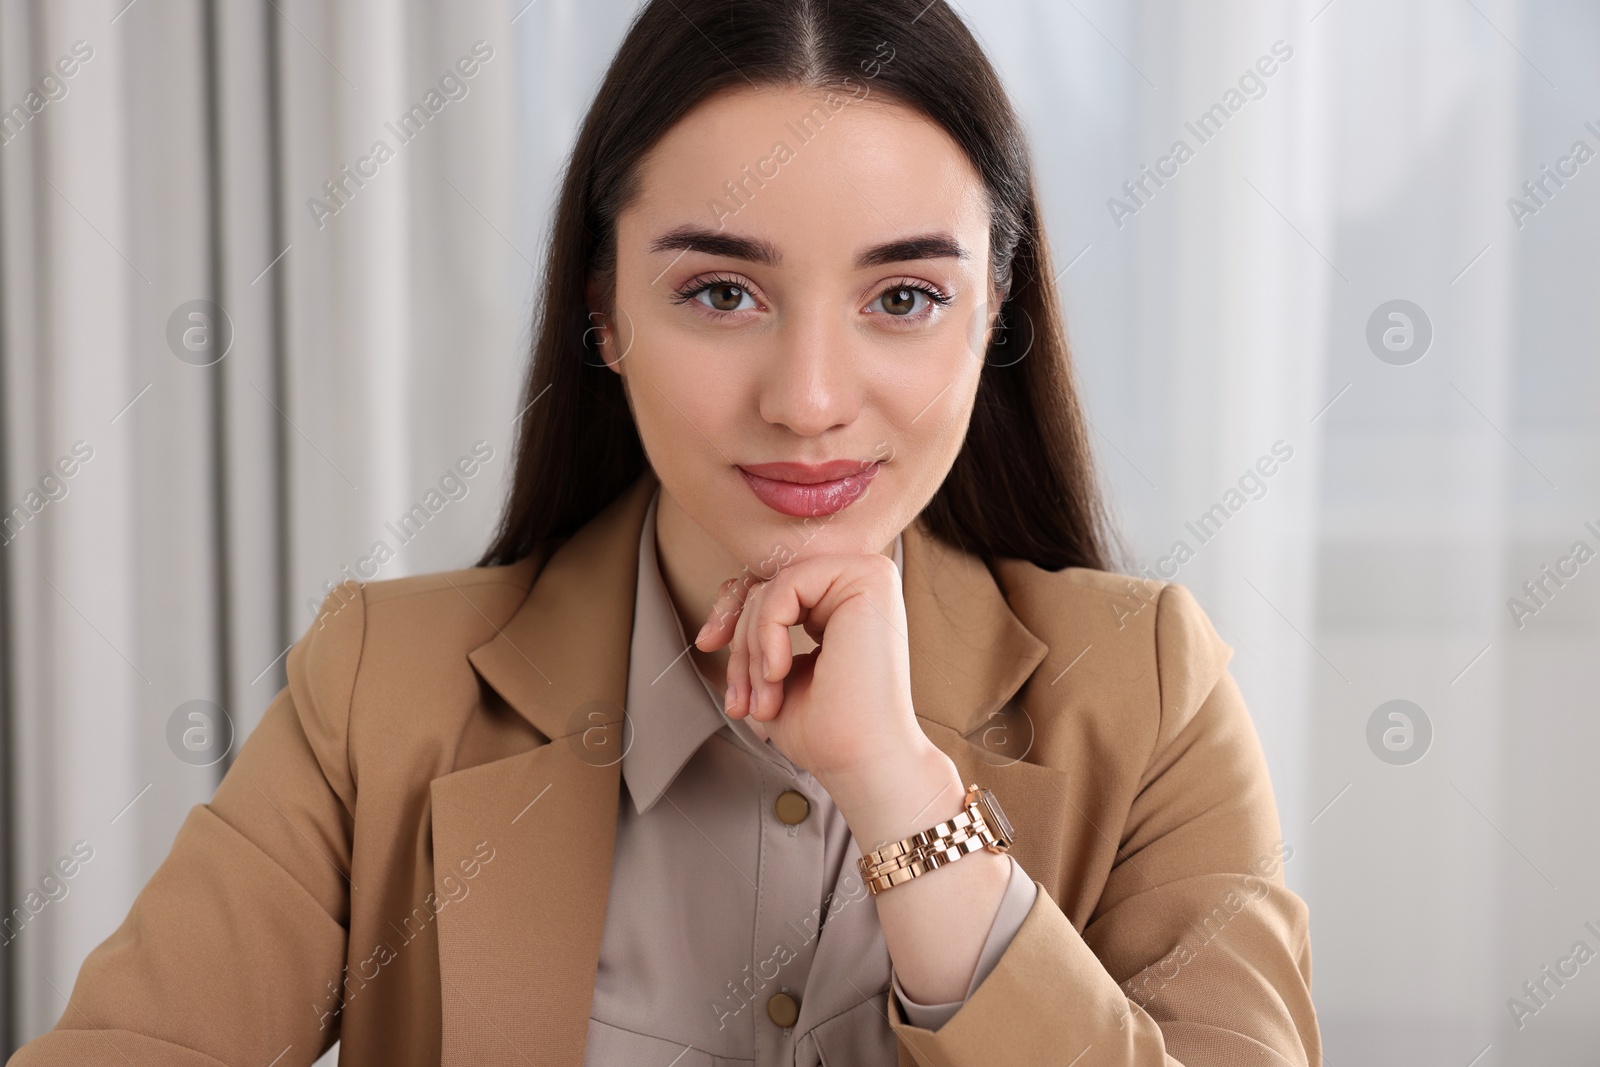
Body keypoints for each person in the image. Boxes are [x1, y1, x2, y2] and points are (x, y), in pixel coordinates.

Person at [7, 1, 1320, 1064]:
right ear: (605, 314)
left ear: (996, 314)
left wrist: (902, 794)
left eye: (907, 294)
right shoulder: (382, 687)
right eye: (722, 291)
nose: (808, 400)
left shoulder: (1148, 690)